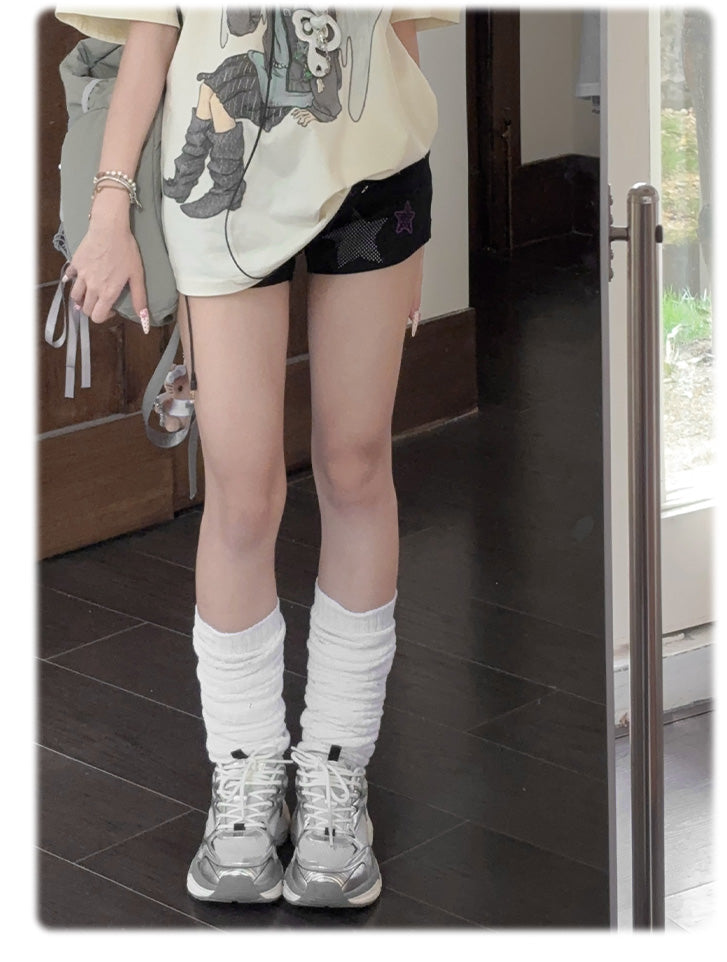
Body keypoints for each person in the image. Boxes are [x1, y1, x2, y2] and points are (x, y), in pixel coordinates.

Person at [54, 5, 460, 909]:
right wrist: (110, 206)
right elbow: (152, 31)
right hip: (219, 179)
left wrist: (421, 235)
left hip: (376, 180)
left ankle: (335, 776)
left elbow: (400, 30)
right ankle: (244, 776)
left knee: (356, 465)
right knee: (242, 494)